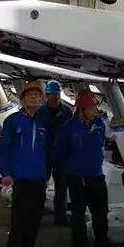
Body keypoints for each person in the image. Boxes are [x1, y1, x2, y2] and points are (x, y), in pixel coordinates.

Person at [54, 89, 117, 247]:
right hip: (77, 176)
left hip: (96, 174)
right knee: (78, 214)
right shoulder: (68, 127)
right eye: (92, 108)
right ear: (82, 109)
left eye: (95, 107)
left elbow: (101, 144)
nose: (95, 111)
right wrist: (72, 167)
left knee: (101, 213)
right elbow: (60, 151)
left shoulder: (100, 124)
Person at [0, 80, 48, 247]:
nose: (33, 98)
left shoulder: (43, 122)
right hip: (21, 179)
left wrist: (46, 174)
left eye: (37, 95)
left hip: (38, 179)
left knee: (34, 222)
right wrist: (6, 173)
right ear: (22, 99)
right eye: (29, 95)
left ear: (41, 99)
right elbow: (4, 149)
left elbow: (47, 150)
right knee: (19, 223)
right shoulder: (13, 121)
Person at [34, 80, 73, 226]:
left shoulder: (67, 112)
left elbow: (70, 133)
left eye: (56, 95)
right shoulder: (40, 112)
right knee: (40, 185)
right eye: (52, 95)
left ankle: (60, 217)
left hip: (61, 155)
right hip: (44, 154)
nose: (54, 98)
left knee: (61, 187)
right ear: (47, 96)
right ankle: (36, 214)